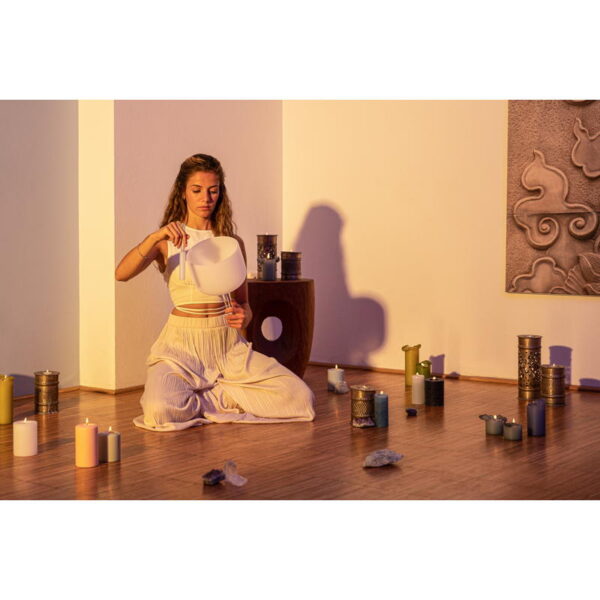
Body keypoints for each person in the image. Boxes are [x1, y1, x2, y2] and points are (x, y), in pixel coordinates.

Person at [115, 153, 315, 431]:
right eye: (197, 190)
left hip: (227, 346)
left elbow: (244, 304)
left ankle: (204, 398)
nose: (205, 198)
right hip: (181, 346)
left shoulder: (231, 242)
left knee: (300, 397)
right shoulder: (165, 241)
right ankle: (219, 398)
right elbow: (121, 274)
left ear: (221, 193)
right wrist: (154, 237)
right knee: (158, 411)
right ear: (183, 192)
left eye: (213, 190)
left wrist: (244, 315)